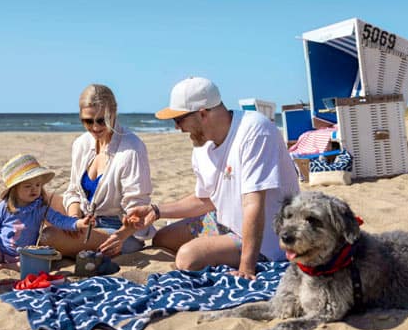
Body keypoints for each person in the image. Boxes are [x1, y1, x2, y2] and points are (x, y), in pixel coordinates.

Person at [126, 77, 299, 279]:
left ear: (202, 113)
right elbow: (206, 199)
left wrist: (246, 267)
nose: (176, 127)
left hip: (267, 236)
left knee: (187, 258)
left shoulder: (255, 130)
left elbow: (254, 203)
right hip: (224, 221)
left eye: (179, 120)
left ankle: (237, 254)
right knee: (162, 239)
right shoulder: (202, 144)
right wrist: (156, 211)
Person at [41, 83, 155, 257]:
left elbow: (137, 209)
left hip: (119, 232)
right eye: (88, 121)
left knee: (48, 237)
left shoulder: (132, 148)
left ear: (114, 112)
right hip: (85, 220)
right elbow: (73, 191)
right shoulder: (81, 143)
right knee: (30, 201)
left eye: (102, 120)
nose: (95, 127)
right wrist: (73, 220)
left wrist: (121, 235)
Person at [0, 154, 91, 271]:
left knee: (34, 264)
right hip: (1, 249)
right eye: (28, 186)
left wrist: (78, 223)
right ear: (14, 189)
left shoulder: (40, 208)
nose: (34, 189)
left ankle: (4, 267)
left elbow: (60, 220)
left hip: (24, 254)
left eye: (38, 185)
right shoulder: (4, 206)